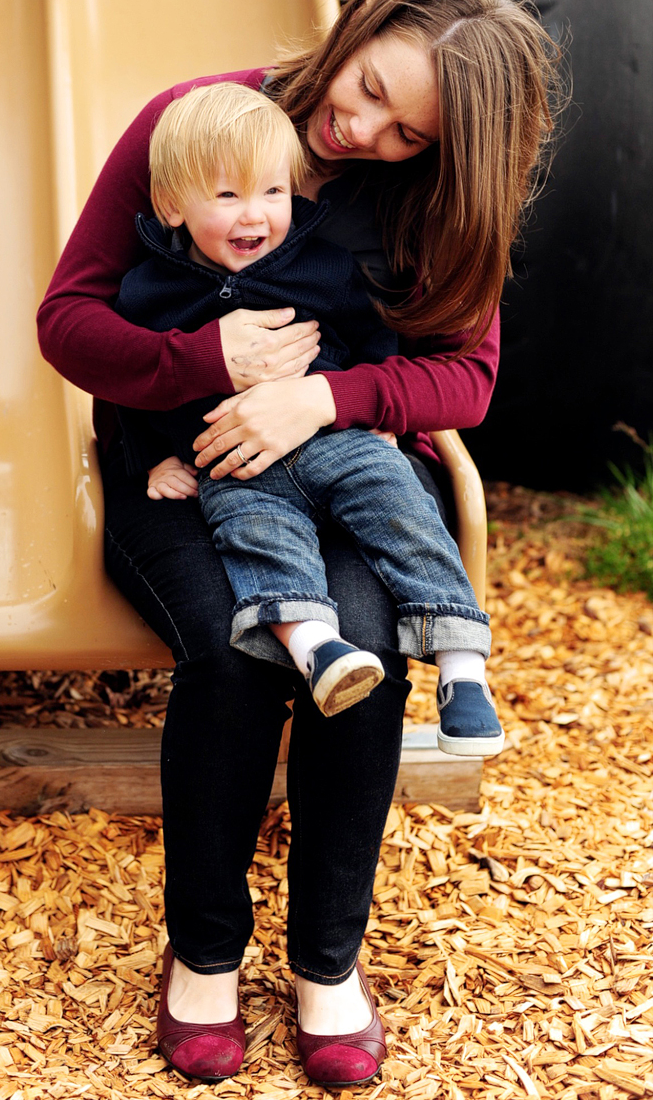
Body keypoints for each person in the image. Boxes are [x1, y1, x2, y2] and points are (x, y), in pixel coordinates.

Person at [37, 0, 559, 1087]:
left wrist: (322, 398)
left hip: (342, 466)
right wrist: (201, 360)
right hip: (185, 463)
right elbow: (67, 320)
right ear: (362, 23)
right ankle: (206, 957)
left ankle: (328, 965)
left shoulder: (432, 200)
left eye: (407, 132)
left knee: (364, 649)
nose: (362, 127)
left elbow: (465, 380)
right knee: (238, 650)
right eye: (369, 85)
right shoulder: (197, 126)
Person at [115, 81, 502, 752]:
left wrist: (377, 410)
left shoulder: (322, 267)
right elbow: (128, 381)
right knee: (255, 540)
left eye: (271, 193)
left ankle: (462, 663)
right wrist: (152, 457)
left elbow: (372, 336)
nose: (254, 215)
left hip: (337, 440)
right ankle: (317, 646)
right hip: (234, 464)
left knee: (400, 508)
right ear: (171, 205)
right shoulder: (147, 291)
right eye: (227, 195)